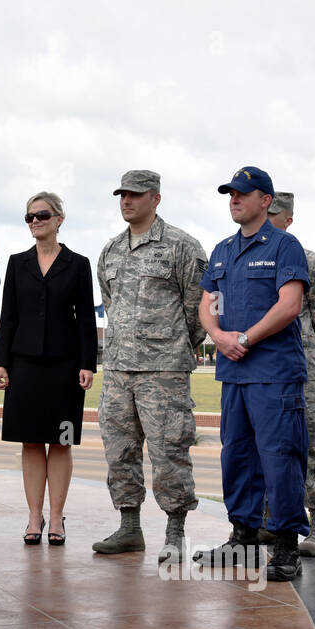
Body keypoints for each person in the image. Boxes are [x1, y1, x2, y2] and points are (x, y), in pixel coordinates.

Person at [195, 167, 309, 581]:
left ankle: (284, 546)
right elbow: (207, 301)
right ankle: (241, 537)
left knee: (280, 459)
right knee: (237, 456)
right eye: (230, 194)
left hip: (274, 372)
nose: (234, 200)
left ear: (266, 201)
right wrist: (218, 337)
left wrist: (243, 338)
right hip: (233, 372)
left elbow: (289, 304)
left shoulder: (284, 246)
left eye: (243, 194)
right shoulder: (222, 250)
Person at [92, 170, 206, 563]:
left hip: (164, 371)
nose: (127, 201)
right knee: (119, 450)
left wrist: (172, 348)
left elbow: (198, 310)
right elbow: (110, 304)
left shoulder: (182, 247)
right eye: (122, 194)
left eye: (136, 195)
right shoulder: (110, 251)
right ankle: (129, 527)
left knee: (169, 451)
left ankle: (174, 532)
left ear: (155, 199)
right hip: (119, 370)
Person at [0, 192, 96, 546]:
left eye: (42, 215)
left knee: (61, 441)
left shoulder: (79, 264)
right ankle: (34, 518)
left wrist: (87, 363)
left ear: (59, 219)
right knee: (32, 441)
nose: (35, 221)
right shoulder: (17, 263)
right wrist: (0, 362)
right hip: (24, 366)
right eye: (30, 217)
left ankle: (56, 519)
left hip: (65, 367)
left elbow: (85, 319)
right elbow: (9, 315)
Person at [262, 192, 315, 556]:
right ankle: (266, 520)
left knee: (311, 444)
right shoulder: (246, 258)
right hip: (259, 366)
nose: (267, 219)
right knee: (262, 444)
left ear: (289, 219)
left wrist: (308, 354)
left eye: (274, 214)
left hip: (301, 368)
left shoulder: (311, 262)